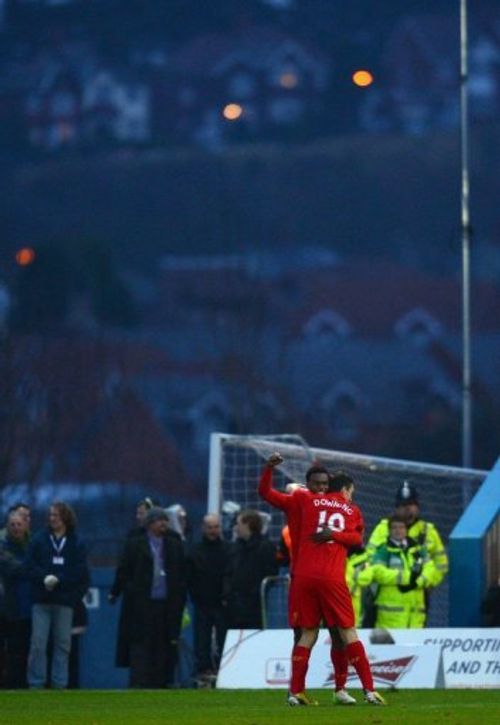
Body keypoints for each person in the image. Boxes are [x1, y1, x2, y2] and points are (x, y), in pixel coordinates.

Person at [259, 452, 385, 706]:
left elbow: (268, 493)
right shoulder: (349, 508)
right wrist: (336, 533)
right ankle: (369, 690)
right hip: (330, 577)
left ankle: (301, 691)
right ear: (347, 490)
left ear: (329, 487)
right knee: (346, 632)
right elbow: (357, 540)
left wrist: (270, 470)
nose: (320, 488)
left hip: (302, 574)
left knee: (308, 633)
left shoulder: (303, 499)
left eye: (324, 485)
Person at [115, 507, 186, 688]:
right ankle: (140, 682)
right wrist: (122, 591)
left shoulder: (174, 545)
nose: (163, 523)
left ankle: (162, 682)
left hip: (166, 605)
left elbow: (180, 575)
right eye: (159, 520)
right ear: (150, 523)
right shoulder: (135, 544)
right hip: (142, 605)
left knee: (164, 646)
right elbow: (125, 571)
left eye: (165, 520)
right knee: (141, 646)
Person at [25, 501, 90, 689]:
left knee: (63, 644)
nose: (52, 518)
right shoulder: (39, 539)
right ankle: (36, 683)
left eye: (56, 515)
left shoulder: (76, 542)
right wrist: (44, 577)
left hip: (64, 600)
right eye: (51, 515)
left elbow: (79, 571)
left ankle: (59, 684)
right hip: (41, 599)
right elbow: (29, 566)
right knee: (38, 643)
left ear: (66, 518)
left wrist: (59, 580)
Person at [366, 480, 448, 623]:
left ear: (418, 507)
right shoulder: (383, 528)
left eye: (411, 505)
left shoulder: (428, 530)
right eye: (403, 505)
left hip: (418, 603)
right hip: (387, 600)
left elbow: (441, 565)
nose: (407, 509)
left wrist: (426, 582)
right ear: (396, 508)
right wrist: (403, 577)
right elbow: (370, 560)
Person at [369, 515, 439, 629]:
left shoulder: (418, 549)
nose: (398, 530)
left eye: (401, 527)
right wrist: (407, 578)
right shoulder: (384, 550)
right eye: (394, 527)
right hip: (390, 618)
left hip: (415, 616)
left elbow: (430, 568)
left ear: (406, 530)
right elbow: (378, 572)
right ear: (389, 530)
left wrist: (418, 582)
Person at [186, 514, 232, 686]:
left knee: (223, 639)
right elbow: (189, 577)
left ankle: (224, 669)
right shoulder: (194, 551)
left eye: (216, 527)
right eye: (210, 527)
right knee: (201, 640)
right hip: (202, 603)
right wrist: (195, 595)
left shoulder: (229, 549)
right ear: (203, 528)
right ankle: (203, 671)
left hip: (222, 604)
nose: (213, 531)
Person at [225, 509, 279, 630]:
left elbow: (271, 573)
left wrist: (254, 594)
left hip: (254, 606)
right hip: (234, 605)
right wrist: (228, 593)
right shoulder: (236, 547)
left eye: (238, 524)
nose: (235, 527)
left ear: (247, 524)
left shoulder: (265, 546)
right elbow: (228, 572)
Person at [0, 510, 32, 688]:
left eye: (19, 524)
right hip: (9, 607)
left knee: (25, 650)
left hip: (28, 607)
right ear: (7, 526)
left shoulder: (32, 545)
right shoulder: (3, 547)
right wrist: (33, 568)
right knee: (11, 650)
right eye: (12, 524)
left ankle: (22, 684)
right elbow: (14, 568)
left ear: (26, 525)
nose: (16, 528)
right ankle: (10, 684)